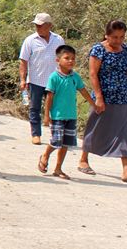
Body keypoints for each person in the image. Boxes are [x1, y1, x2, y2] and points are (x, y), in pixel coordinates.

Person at [77, 20, 127, 184]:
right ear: (107, 35)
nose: (118, 40)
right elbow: (93, 74)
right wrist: (98, 97)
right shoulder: (98, 50)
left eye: (121, 37)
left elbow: (126, 73)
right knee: (95, 127)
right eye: (114, 37)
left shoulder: (125, 49)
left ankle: (126, 170)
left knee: (123, 131)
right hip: (104, 95)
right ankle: (83, 159)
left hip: (122, 96)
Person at [39, 45, 94, 179]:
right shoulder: (54, 77)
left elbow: (83, 91)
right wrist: (47, 115)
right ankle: (45, 155)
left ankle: (58, 168)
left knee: (65, 144)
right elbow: (49, 97)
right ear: (58, 60)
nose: (70, 61)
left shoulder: (75, 77)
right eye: (66, 58)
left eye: (73, 58)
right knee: (56, 140)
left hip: (71, 115)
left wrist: (94, 104)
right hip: (58, 115)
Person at [19, 13, 65, 145]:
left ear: (49, 26)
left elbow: (63, 58)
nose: (38, 28)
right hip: (36, 80)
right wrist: (23, 79)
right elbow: (23, 61)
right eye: (36, 25)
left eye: (41, 25)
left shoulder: (58, 40)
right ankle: (36, 134)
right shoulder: (30, 40)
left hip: (55, 81)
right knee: (35, 108)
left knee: (56, 108)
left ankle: (56, 134)